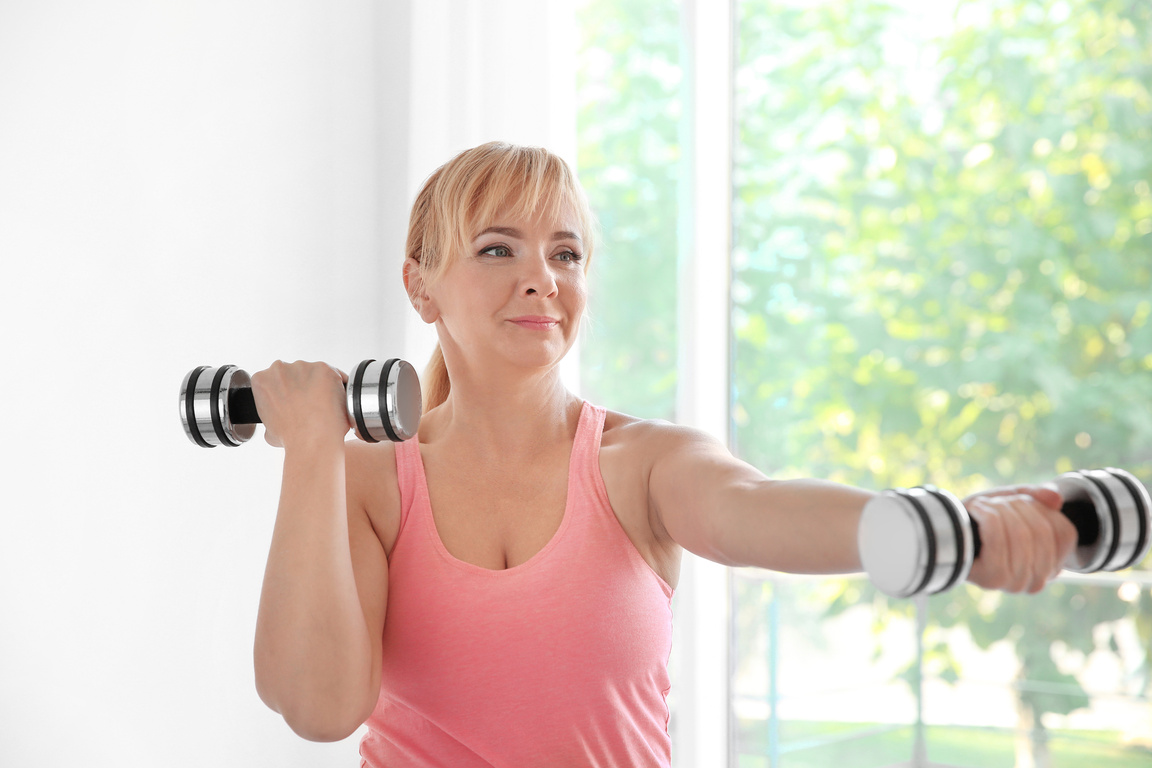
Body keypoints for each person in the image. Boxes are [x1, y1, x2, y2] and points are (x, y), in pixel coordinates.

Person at [249, 142, 1078, 767]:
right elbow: (320, 705)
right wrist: (313, 449)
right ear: (420, 286)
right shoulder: (369, 484)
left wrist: (947, 531)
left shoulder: (641, 465)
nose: (542, 278)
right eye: (498, 248)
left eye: (565, 253)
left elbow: (755, 508)